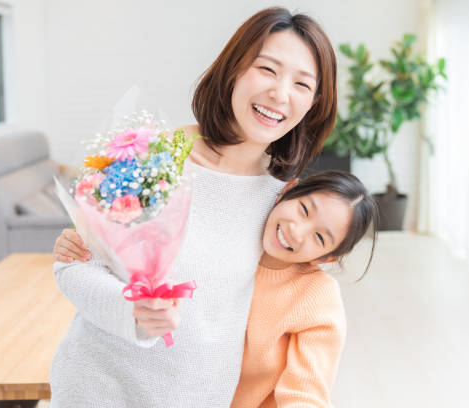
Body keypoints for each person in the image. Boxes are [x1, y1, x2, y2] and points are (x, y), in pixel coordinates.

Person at [49, 7, 337, 408]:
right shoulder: (149, 154)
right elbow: (72, 266)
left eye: (302, 84)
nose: (280, 93)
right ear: (235, 68)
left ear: (313, 103)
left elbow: (299, 295)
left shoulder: (284, 203)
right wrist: (131, 311)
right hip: (98, 390)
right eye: (267, 69)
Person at [230, 170, 378, 407]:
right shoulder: (227, 237)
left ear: (327, 258)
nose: (297, 232)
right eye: (305, 210)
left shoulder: (317, 297)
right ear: (289, 190)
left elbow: (306, 396)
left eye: (319, 238)